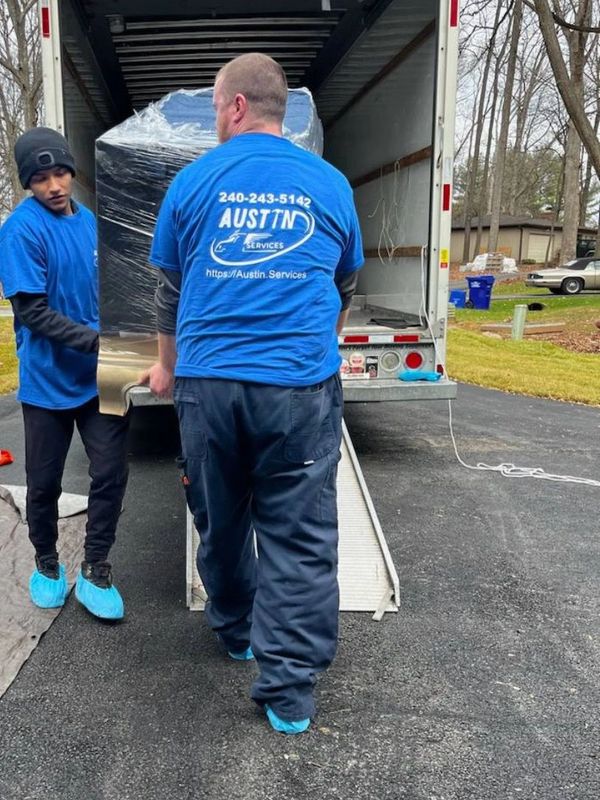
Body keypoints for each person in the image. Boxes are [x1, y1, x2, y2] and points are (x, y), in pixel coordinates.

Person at [144, 53, 363, 733]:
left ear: (235, 106)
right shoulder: (329, 184)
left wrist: (165, 369)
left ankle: (237, 631)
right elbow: (345, 287)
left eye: (215, 105)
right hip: (298, 388)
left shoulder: (191, 182)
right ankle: (289, 695)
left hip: (209, 386)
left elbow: (169, 292)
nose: (215, 117)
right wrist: (315, 347)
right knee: (298, 536)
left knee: (222, 518)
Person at [0, 127, 130, 621]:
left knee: (112, 473)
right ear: (28, 183)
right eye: (40, 178)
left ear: (72, 171)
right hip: (49, 381)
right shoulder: (20, 230)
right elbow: (33, 312)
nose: (54, 185)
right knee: (44, 483)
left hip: (103, 377)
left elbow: (106, 291)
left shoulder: (89, 222)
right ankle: (48, 563)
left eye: (60, 173)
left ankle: (95, 567)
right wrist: (98, 343)